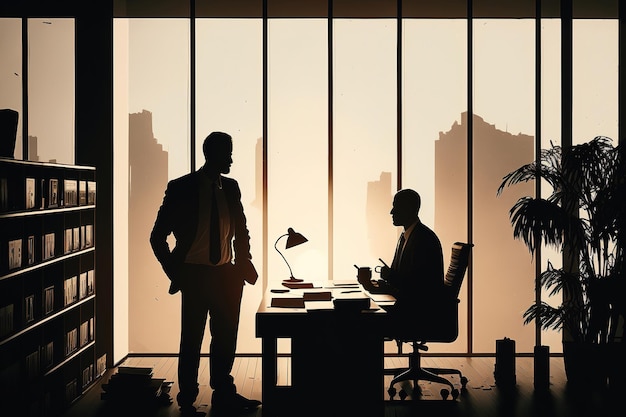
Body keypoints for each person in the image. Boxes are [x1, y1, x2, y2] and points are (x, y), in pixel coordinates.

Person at [150, 131, 261, 416]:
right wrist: (175, 272)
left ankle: (224, 393)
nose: (232, 160)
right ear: (211, 154)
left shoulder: (232, 188)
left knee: (225, 338)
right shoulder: (181, 188)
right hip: (194, 276)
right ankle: (187, 399)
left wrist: (241, 264)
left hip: (226, 276)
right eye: (228, 154)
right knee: (192, 340)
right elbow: (157, 237)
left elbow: (241, 231)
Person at [359, 189, 445, 315]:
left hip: (418, 313)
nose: (391, 212)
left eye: (396, 207)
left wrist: (390, 277)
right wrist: (372, 285)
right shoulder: (406, 236)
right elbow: (402, 283)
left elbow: (418, 288)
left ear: (408, 209)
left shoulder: (424, 240)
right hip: (409, 306)